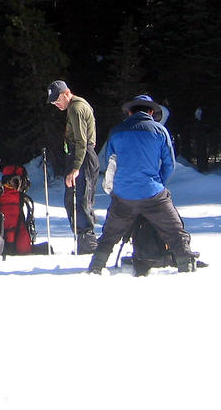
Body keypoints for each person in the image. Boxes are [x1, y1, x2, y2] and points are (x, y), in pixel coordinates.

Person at [87, 94, 195, 274]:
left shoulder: (116, 132)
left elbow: (110, 163)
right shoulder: (160, 131)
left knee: (109, 235)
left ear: (130, 112)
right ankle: (186, 267)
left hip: (123, 195)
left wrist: (118, 187)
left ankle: (96, 267)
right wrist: (158, 182)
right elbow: (169, 164)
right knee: (176, 232)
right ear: (151, 112)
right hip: (153, 194)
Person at [47, 80, 99, 254]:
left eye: (57, 99)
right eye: (53, 102)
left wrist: (75, 168)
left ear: (66, 93)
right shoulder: (75, 107)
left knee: (79, 200)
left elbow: (81, 141)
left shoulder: (76, 108)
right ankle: (85, 242)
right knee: (75, 199)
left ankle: (88, 245)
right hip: (81, 156)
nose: (56, 104)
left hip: (82, 157)